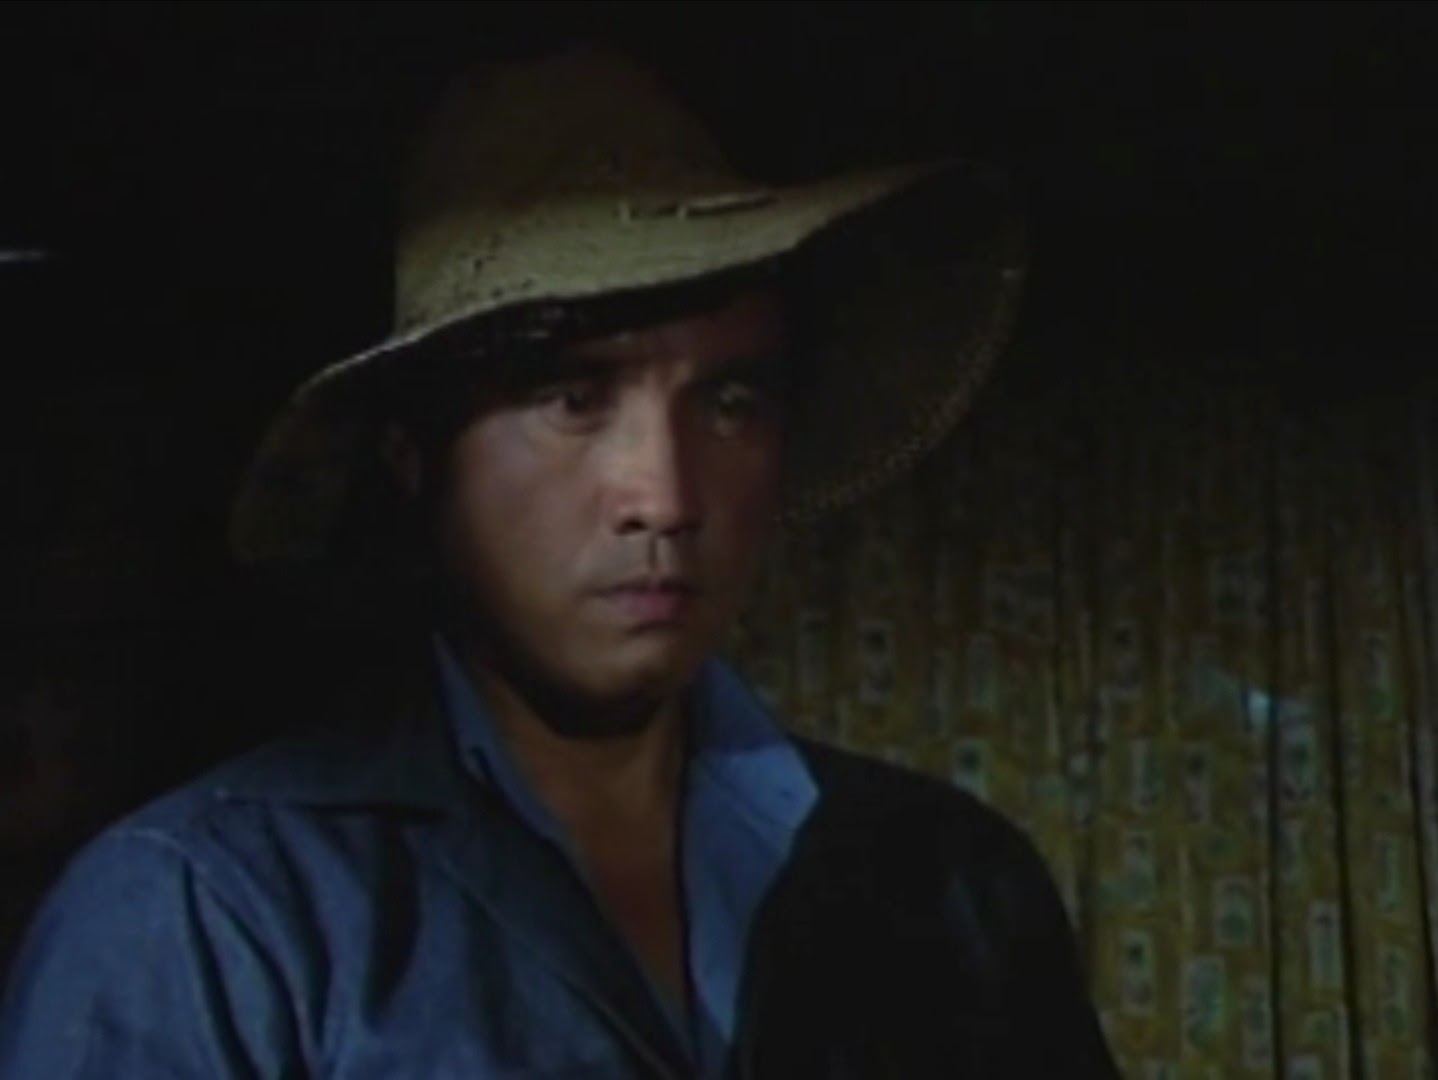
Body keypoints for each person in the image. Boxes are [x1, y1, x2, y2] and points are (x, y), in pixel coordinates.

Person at [0, 46, 1119, 1077]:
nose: (664, 497)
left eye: (730, 401)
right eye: (572, 398)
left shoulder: (952, 886)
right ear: (415, 455)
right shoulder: (210, 916)